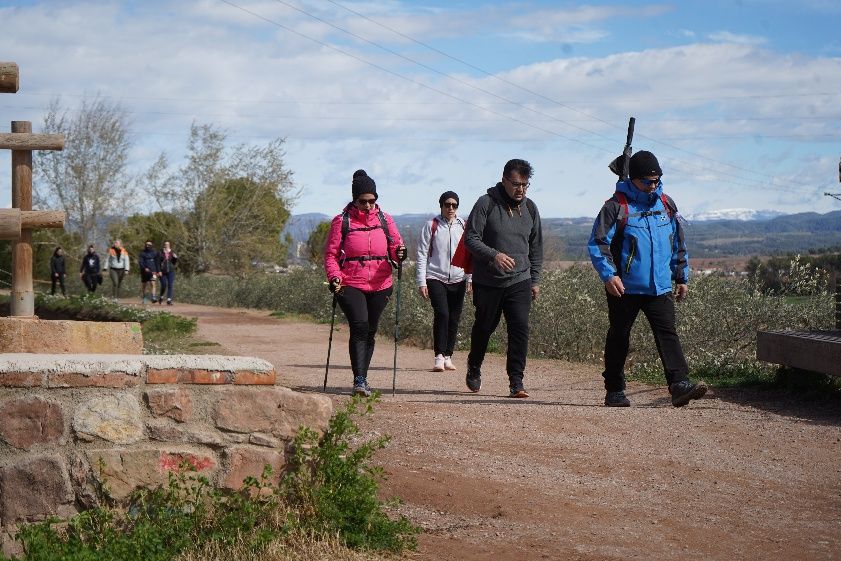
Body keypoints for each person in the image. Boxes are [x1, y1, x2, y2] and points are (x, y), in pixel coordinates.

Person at [588, 150, 707, 408]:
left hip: (660, 286)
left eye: (656, 180)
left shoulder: (665, 203)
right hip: (624, 287)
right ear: (633, 179)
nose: (652, 185)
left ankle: (679, 385)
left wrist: (681, 276)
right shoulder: (615, 207)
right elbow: (598, 244)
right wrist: (609, 276)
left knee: (668, 334)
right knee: (619, 336)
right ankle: (615, 390)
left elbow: (677, 243)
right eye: (647, 181)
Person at [463, 159, 543, 398]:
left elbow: (536, 247)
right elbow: (471, 239)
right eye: (517, 184)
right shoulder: (485, 203)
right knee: (484, 327)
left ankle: (516, 381)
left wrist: (535, 279)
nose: (521, 190)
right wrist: (494, 255)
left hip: (520, 279)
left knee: (520, 328)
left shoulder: (530, 208)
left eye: (526, 185)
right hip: (488, 281)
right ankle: (474, 365)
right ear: (504, 180)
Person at [324, 169, 406, 397]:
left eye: (372, 200)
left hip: (381, 283)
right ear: (354, 200)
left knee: (370, 330)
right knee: (359, 326)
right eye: (363, 201)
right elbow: (330, 255)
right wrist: (334, 277)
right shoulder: (342, 222)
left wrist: (400, 253)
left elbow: (395, 248)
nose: (368, 205)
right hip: (350, 282)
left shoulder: (385, 220)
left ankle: (363, 378)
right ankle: (359, 380)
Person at [416, 191, 472, 372]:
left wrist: (470, 277)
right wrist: (421, 281)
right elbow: (422, 253)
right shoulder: (431, 225)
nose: (451, 208)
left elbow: (470, 254)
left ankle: (448, 356)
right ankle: (439, 357)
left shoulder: (464, 225)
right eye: (447, 204)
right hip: (435, 277)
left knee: (454, 318)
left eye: (454, 205)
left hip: (459, 278)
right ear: (441, 205)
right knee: (442, 314)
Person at [138, 240, 160, 304]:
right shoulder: (142, 253)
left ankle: (153, 297)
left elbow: (157, 262)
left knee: (153, 283)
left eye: (149, 245)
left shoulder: (155, 253)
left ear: (152, 245)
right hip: (144, 271)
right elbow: (140, 262)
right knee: (144, 285)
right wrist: (144, 268)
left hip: (153, 270)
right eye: (146, 244)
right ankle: (144, 298)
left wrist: (158, 271)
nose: (147, 246)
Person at [156, 240, 178, 305]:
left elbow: (173, 263)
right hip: (162, 272)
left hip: (171, 271)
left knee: (170, 285)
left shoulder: (172, 252)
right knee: (163, 285)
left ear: (169, 245)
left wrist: (175, 258)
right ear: (164, 245)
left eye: (168, 244)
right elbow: (157, 263)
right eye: (165, 244)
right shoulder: (160, 252)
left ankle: (169, 299)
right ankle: (161, 296)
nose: (167, 245)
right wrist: (159, 271)